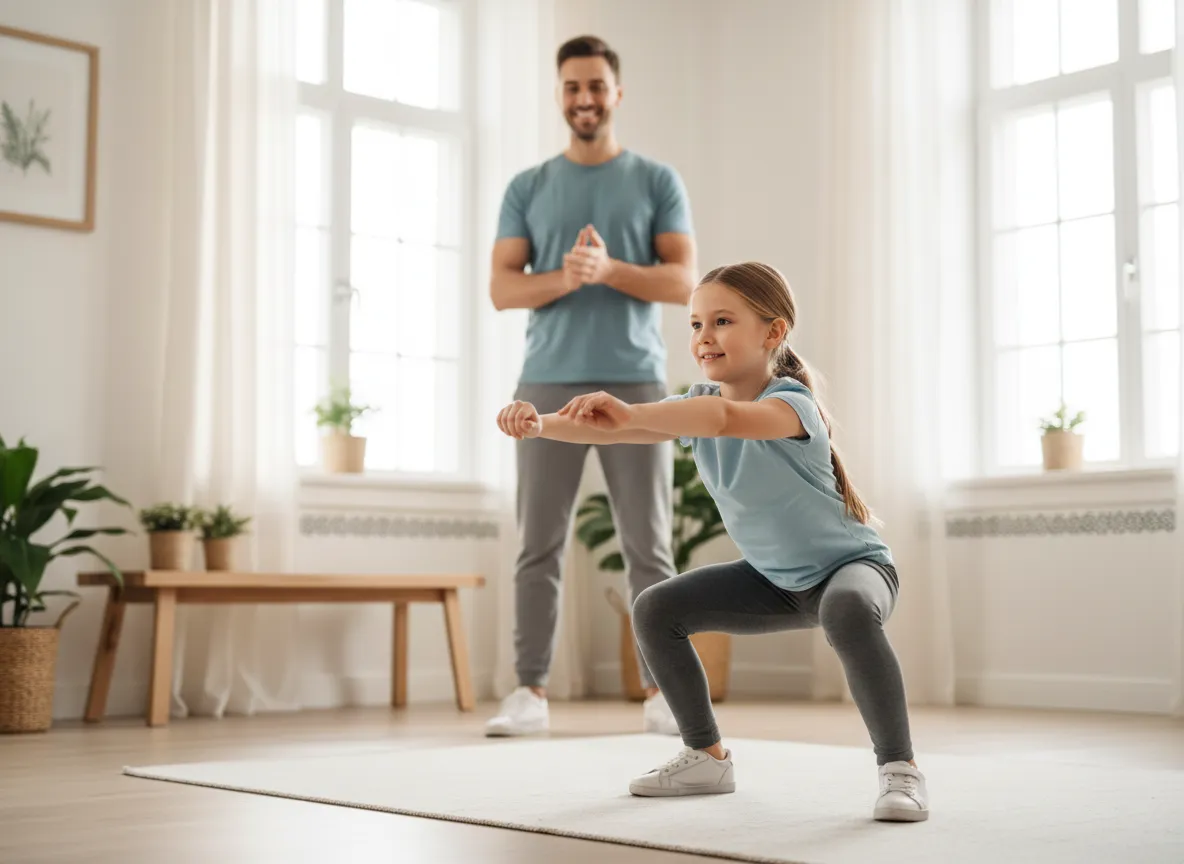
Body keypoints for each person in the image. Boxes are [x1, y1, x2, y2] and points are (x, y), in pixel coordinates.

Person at [495, 262, 929, 822]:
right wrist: (540, 424)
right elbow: (616, 428)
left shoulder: (790, 404)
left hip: (854, 569)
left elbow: (722, 418)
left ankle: (900, 769)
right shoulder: (696, 403)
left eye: (722, 321)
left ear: (773, 332)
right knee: (656, 608)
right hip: (775, 583)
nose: (705, 336)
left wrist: (631, 410)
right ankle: (706, 756)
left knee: (844, 609)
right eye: (696, 324)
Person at [486, 34, 697, 737]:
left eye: (596, 86)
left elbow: (685, 281)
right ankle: (529, 692)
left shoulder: (656, 181)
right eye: (573, 86)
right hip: (545, 382)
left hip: (636, 381)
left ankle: (664, 693)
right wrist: (567, 277)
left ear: (617, 93)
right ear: (559, 94)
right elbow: (502, 289)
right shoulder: (527, 187)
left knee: (650, 546)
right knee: (537, 544)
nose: (585, 98)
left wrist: (610, 271)